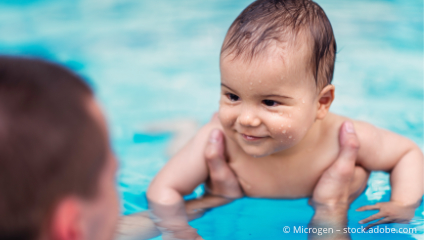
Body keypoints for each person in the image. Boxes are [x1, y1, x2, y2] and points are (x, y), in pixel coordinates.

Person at [147, 0, 424, 238]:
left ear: (321, 103)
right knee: (180, 147)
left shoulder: (344, 137)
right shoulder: (218, 137)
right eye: (232, 96)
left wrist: (402, 203)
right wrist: (176, 229)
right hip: (208, 157)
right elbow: (163, 188)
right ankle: (183, 128)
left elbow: (408, 154)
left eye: (269, 102)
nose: (246, 119)